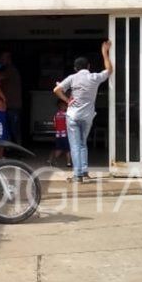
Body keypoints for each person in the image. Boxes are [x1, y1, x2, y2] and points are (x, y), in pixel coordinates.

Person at [53, 40, 113, 182]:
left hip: (73, 116)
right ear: (88, 66)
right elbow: (109, 70)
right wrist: (105, 53)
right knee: (83, 144)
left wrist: (67, 100)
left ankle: (77, 175)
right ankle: (84, 171)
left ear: (75, 68)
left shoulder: (72, 78)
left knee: (75, 145)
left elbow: (56, 90)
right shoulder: (94, 77)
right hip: (87, 117)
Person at [0, 51, 23, 144]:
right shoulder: (9, 70)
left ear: (8, 59)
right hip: (10, 105)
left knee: (14, 129)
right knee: (10, 129)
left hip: (12, 105)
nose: (0, 61)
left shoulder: (10, 70)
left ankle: (18, 150)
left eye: (2, 59)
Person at [50, 99, 71, 168]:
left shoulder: (56, 115)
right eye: (66, 106)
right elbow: (69, 124)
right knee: (68, 149)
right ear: (64, 106)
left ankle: (53, 161)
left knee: (59, 149)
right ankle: (68, 163)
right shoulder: (67, 115)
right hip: (65, 135)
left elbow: (54, 125)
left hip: (58, 135)